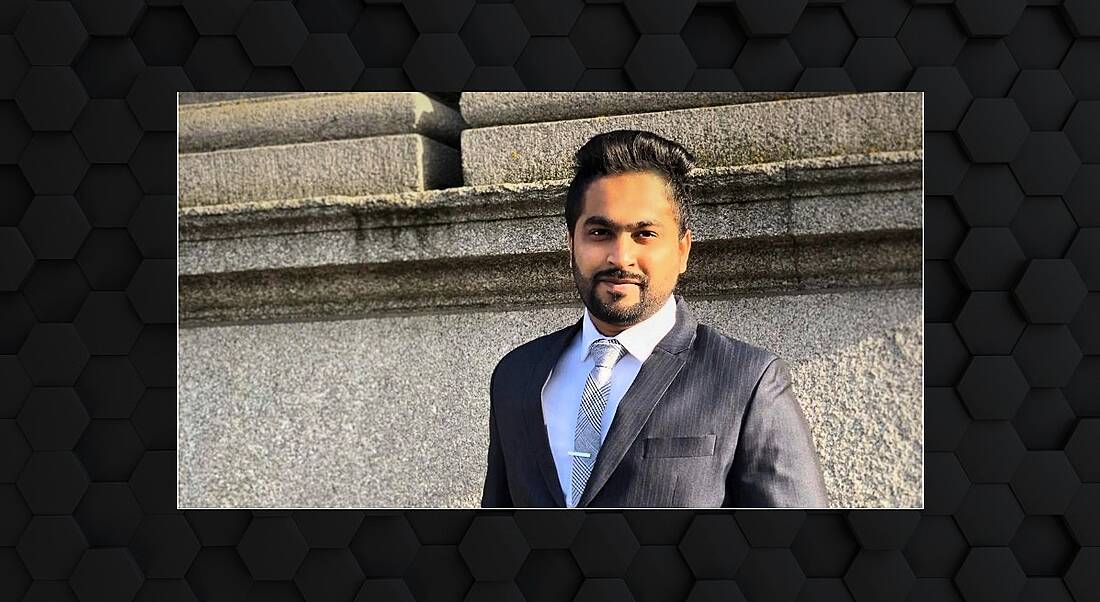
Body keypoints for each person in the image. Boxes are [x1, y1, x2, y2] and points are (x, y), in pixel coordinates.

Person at [481, 130, 827, 508]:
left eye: (644, 234)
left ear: (682, 250)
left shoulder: (748, 381)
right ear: (571, 245)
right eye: (600, 232)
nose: (620, 257)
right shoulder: (516, 375)